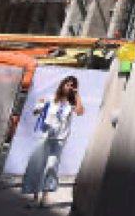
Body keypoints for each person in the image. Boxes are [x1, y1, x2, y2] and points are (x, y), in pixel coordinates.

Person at [22, 75, 85, 208]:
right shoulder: (51, 99)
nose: (69, 87)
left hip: (59, 140)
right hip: (45, 136)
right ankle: (35, 197)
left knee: (51, 167)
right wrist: (38, 108)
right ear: (62, 85)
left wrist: (77, 95)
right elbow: (35, 111)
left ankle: (44, 198)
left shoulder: (71, 103)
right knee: (38, 165)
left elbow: (80, 112)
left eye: (72, 86)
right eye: (67, 85)